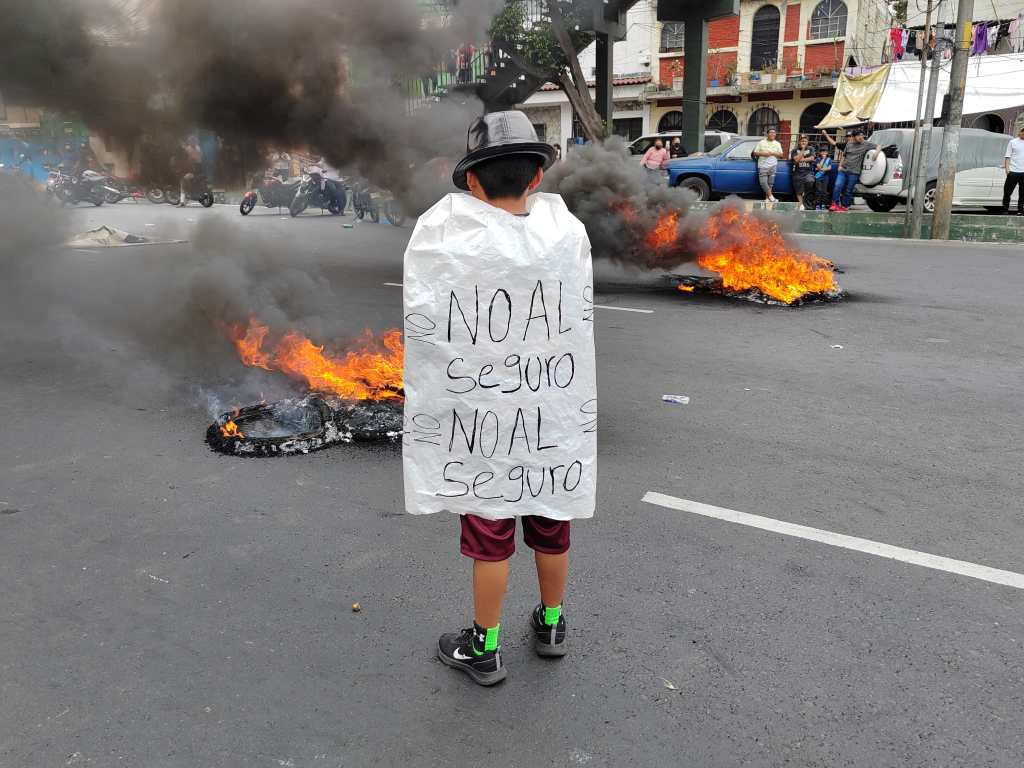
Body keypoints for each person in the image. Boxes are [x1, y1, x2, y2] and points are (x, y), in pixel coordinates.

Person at [403, 111, 595, 687]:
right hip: (551, 417)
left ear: (472, 181)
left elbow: (430, 329)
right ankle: (552, 624)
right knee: (553, 518)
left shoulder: (447, 239)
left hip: (483, 425)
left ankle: (484, 647)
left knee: (491, 535)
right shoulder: (567, 236)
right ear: (537, 177)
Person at [827, 127, 879, 212]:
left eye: (862, 136)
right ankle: (834, 204)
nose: (861, 137)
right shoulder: (849, 144)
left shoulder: (866, 144)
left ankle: (845, 206)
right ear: (854, 137)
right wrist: (840, 166)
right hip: (843, 170)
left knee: (848, 190)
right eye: (859, 136)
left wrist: (876, 153)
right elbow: (844, 156)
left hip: (854, 172)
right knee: (837, 185)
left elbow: (878, 146)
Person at [753, 128, 785, 203]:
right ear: (767, 134)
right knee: (763, 183)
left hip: (773, 165)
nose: (772, 134)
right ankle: (771, 197)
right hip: (763, 165)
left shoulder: (777, 143)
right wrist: (763, 154)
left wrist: (773, 153)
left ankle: (767, 199)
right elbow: (755, 153)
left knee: (770, 184)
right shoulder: (761, 142)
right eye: (771, 132)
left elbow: (781, 155)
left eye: (774, 132)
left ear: (775, 134)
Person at [1002, 125, 1024, 216]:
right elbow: (1007, 156)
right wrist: (1007, 169)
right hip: (1013, 171)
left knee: (1022, 193)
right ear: (1020, 132)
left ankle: (1020, 210)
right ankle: (1005, 209)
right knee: (1007, 192)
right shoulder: (1013, 142)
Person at [790, 135, 815, 208]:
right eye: (802, 141)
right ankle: (801, 205)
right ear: (799, 142)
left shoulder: (811, 148)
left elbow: (812, 158)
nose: (803, 142)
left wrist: (801, 159)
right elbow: (796, 160)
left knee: (810, 181)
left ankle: (805, 200)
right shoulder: (794, 150)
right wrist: (803, 149)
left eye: (805, 141)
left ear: (807, 142)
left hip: (808, 172)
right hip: (797, 173)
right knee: (798, 190)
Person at [178, 136, 202, 207]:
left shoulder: (188, 149)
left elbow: (186, 158)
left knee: (183, 181)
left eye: (190, 141)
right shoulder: (198, 148)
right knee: (188, 180)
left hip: (192, 168)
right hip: (199, 167)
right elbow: (200, 157)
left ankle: (182, 201)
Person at [813, 144, 833, 210]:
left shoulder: (829, 159)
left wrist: (821, 169)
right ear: (820, 152)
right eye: (822, 151)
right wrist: (823, 160)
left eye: (825, 151)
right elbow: (819, 166)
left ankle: (823, 204)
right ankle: (817, 205)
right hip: (818, 177)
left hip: (825, 177)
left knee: (824, 191)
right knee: (818, 190)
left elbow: (829, 168)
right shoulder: (817, 159)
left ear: (827, 153)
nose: (824, 153)